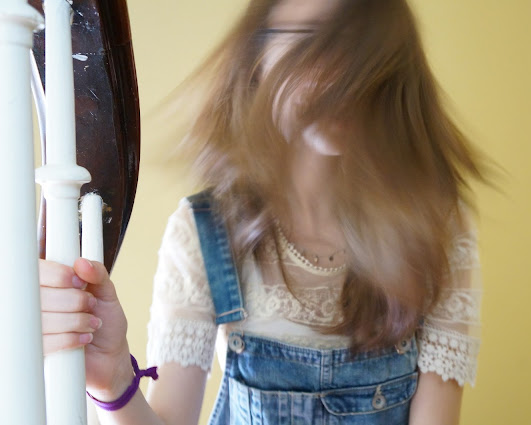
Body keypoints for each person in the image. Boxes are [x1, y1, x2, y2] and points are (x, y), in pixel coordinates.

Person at [39, 0, 486, 424]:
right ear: (258, 57)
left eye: (360, 47)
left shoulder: (434, 229)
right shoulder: (207, 231)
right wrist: (115, 374)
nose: (341, 73)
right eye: (313, 39)